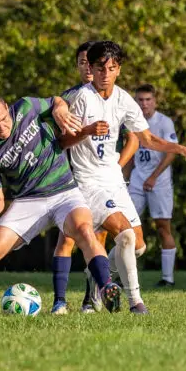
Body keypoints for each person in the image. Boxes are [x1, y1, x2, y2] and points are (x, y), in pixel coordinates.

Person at [0, 93, 122, 318]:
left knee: (84, 230)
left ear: (8, 108)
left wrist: (60, 108)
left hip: (64, 191)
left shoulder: (27, 106)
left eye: (3, 119)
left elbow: (57, 101)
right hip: (28, 200)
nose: (1, 127)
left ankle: (106, 287)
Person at [63, 41, 186, 314]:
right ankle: (136, 303)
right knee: (124, 236)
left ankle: (95, 278)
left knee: (138, 246)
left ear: (119, 70)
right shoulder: (81, 98)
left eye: (112, 68)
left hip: (115, 180)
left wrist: (181, 148)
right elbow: (62, 142)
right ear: (91, 69)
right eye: (100, 68)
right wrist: (86, 131)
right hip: (89, 182)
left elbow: (147, 138)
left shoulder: (123, 99)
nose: (106, 73)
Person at [49, 41, 139, 315]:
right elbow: (56, 123)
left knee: (111, 240)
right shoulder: (71, 97)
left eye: (94, 63)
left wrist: (115, 166)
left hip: (103, 180)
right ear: (79, 66)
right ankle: (61, 302)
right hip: (73, 178)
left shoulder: (113, 96)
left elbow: (133, 137)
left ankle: (94, 293)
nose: (89, 68)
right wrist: (57, 103)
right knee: (69, 239)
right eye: (83, 63)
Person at [126, 84, 179, 287]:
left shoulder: (164, 122)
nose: (144, 104)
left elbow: (172, 152)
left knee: (162, 227)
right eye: (140, 100)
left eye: (148, 99)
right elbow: (130, 153)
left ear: (154, 101)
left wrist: (154, 177)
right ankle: (126, 277)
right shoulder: (131, 123)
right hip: (138, 179)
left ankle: (168, 278)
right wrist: (125, 180)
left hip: (160, 181)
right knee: (127, 227)